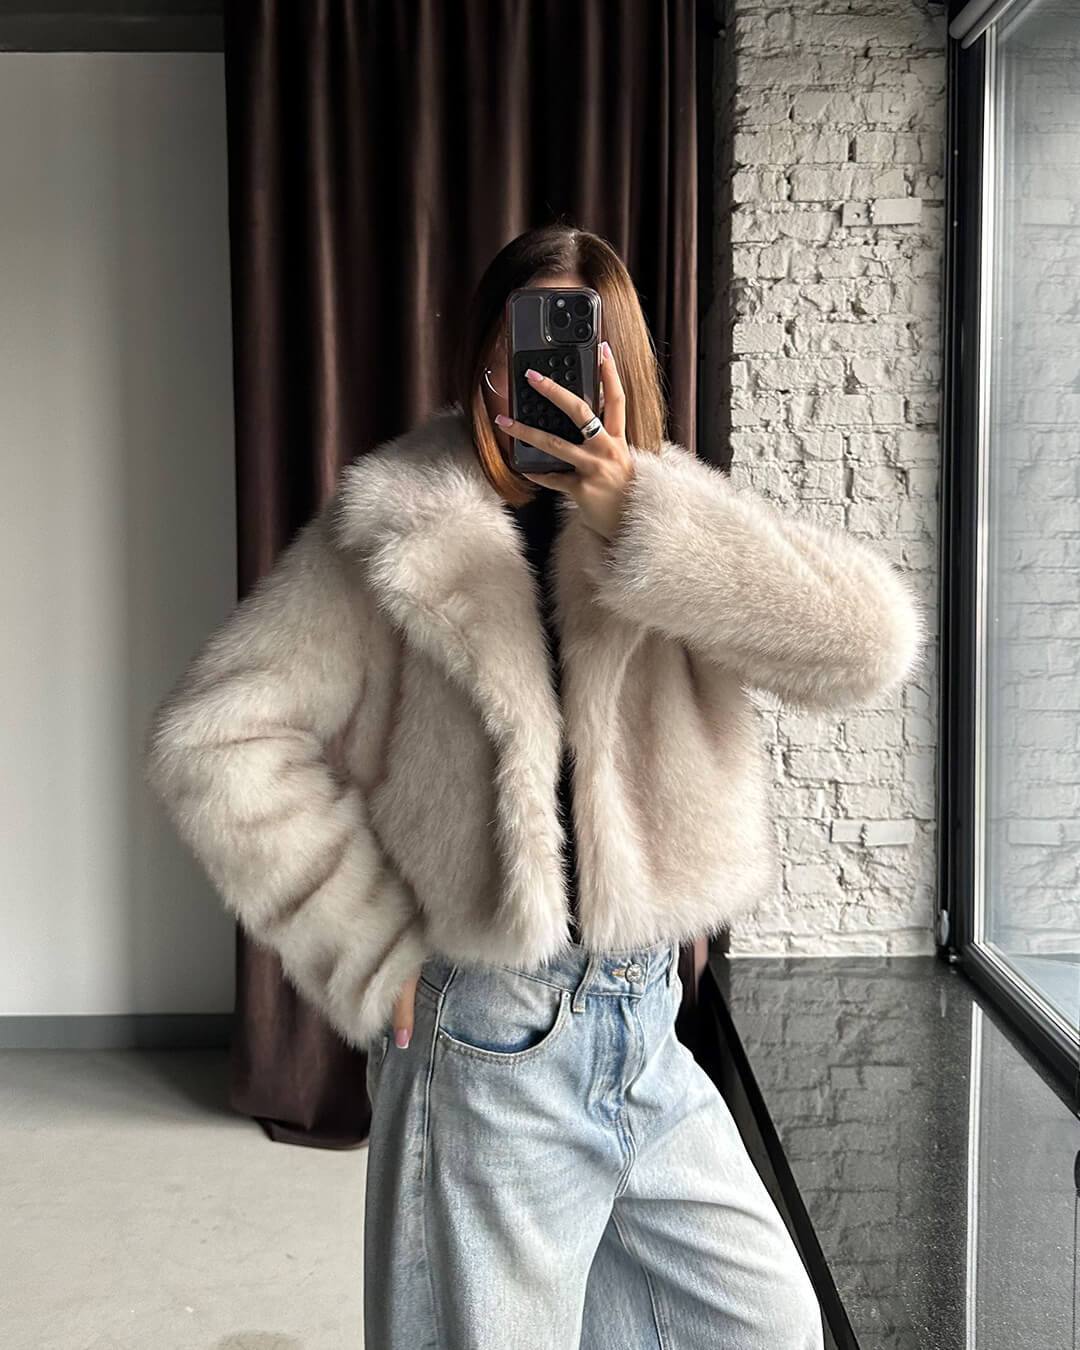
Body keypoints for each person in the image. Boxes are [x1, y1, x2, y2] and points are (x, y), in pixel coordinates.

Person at [144, 223, 926, 1348]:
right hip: (490, 1038)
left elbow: (870, 646)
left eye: (578, 346)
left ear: (621, 362)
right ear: (486, 357)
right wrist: (363, 944)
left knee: (769, 1325)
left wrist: (641, 514)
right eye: (524, 347)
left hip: (648, 1027)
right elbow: (215, 738)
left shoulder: (669, 522)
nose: (547, 375)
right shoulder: (400, 525)